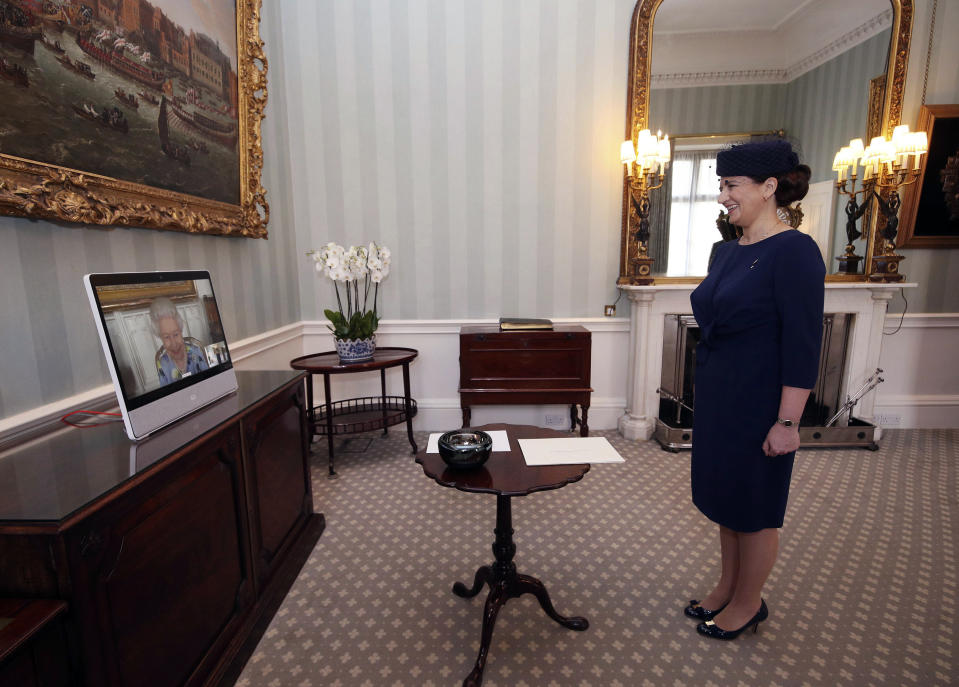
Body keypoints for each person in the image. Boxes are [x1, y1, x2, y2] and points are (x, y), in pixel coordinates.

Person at [685, 139, 825, 640]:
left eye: (732, 185)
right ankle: (726, 586)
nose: (723, 196)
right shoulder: (726, 250)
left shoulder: (795, 252)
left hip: (761, 399)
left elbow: (803, 342)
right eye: (721, 185)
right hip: (721, 396)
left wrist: (788, 422)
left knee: (756, 505)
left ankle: (749, 602)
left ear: (769, 187)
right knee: (726, 499)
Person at [149, 297, 208, 386]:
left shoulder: (196, 351)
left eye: (176, 334)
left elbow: (209, 380)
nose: (174, 343)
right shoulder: (162, 364)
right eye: (166, 337)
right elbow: (166, 396)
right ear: (160, 337)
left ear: (181, 331)